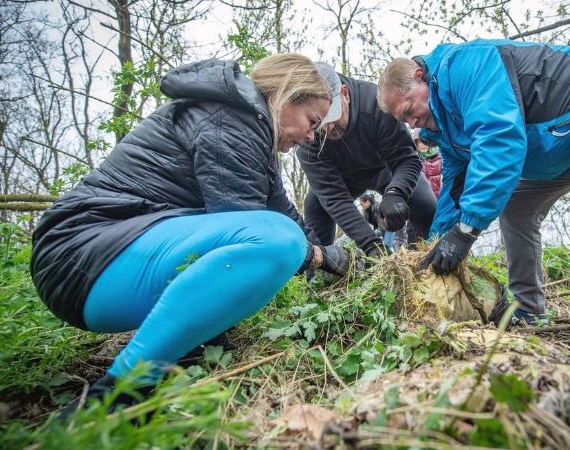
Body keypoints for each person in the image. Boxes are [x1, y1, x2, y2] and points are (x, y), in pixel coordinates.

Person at [377, 39, 570, 423]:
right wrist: (438, 241)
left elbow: (499, 138)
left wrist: (468, 229)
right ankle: (528, 310)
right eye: (404, 120)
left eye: (410, 109)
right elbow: (457, 183)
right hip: (557, 150)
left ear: (420, 76)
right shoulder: (445, 126)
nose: (412, 123)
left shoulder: (465, 66)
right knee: (517, 207)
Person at [30, 54, 349, 412]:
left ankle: (184, 349)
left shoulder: (250, 127)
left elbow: (281, 209)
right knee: (280, 240)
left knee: (283, 232)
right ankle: (118, 394)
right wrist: (317, 256)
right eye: (312, 121)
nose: (310, 135)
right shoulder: (229, 122)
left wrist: (331, 253)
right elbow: (247, 224)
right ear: (287, 96)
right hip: (82, 258)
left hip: (104, 261)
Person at [295, 63, 436, 258]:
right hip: (344, 179)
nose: (330, 128)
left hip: (387, 170)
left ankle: (425, 260)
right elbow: (335, 198)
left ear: (345, 94)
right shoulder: (307, 137)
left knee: (426, 204)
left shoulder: (377, 104)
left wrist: (397, 192)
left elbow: (407, 160)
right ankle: (320, 268)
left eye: (334, 117)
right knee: (315, 205)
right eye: (320, 124)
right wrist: (371, 245)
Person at [413, 127, 442, 197]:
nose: (423, 146)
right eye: (420, 143)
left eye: (425, 143)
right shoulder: (416, 159)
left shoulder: (438, 157)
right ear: (416, 144)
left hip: (439, 192)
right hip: (425, 195)